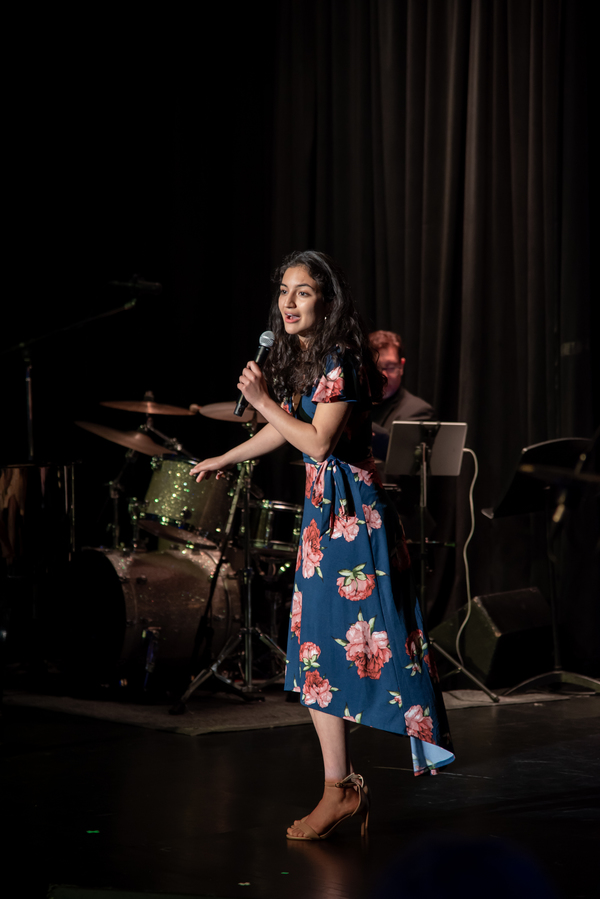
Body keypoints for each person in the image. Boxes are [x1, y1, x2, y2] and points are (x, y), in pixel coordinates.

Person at [190, 251, 454, 841]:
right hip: (322, 524)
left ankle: (351, 781)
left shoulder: (343, 360)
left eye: (302, 292)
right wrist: (226, 458)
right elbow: (281, 428)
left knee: (359, 647)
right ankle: (340, 788)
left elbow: (315, 442)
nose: (288, 302)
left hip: (355, 524)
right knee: (315, 657)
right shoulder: (309, 361)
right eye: (283, 290)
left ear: (326, 301)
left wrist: (262, 401)